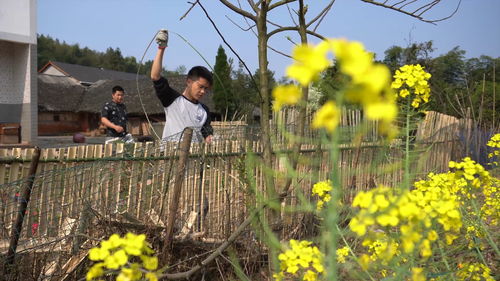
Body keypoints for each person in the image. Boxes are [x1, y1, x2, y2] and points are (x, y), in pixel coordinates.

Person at [150, 29, 213, 143]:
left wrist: (210, 138)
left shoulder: (204, 111)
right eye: (200, 86)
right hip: (169, 155)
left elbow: (206, 132)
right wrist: (161, 48)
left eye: (206, 88)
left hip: (192, 157)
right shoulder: (172, 100)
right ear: (189, 81)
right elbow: (155, 76)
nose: (203, 91)